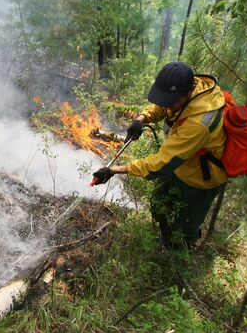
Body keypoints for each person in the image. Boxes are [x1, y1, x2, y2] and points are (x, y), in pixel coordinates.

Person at [93, 62, 227, 249]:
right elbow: (164, 107)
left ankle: (181, 254)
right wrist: (141, 119)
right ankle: (165, 236)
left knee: (183, 229)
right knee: (158, 204)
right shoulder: (188, 91)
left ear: (187, 92)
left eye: (171, 100)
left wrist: (114, 170)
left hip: (199, 181)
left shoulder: (199, 123)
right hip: (180, 165)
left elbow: (160, 164)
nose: (167, 104)